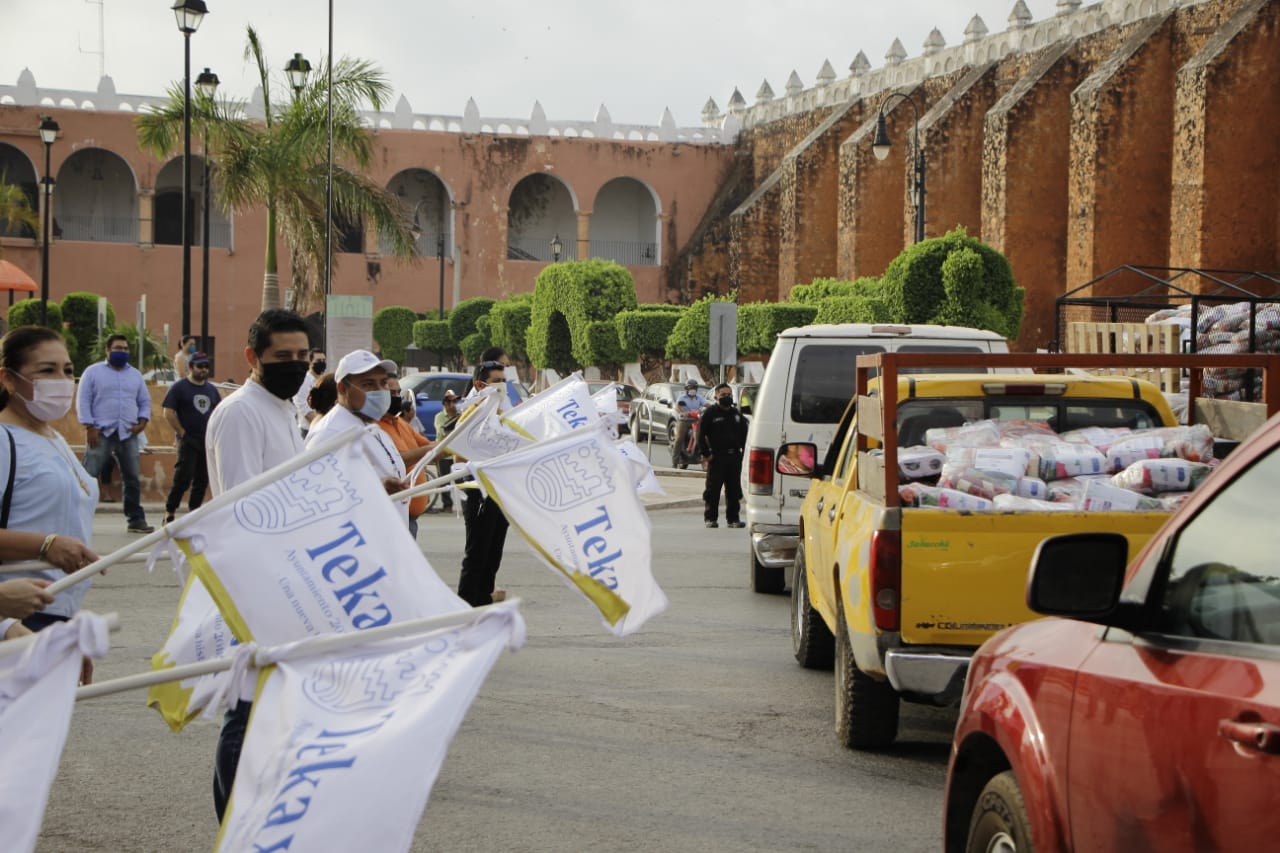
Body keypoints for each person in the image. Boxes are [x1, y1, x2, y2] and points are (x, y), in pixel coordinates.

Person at [204, 308, 312, 822]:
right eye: (281, 357)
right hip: (257, 583)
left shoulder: (283, 409)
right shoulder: (240, 413)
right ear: (252, 357)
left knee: (273, 709)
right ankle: (235, 822)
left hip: (288, 577)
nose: (294, 365)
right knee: (246, 711)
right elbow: (242, 509)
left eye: (301, 356)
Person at [0, 326, 102, 641]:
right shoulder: (4, 440)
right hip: (15, 617)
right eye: (47, 370)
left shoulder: (54, 438)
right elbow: (52, 541)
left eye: (68, 370)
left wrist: (71, 624)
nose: (61, 380)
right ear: (8, 378)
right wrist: (46, 545)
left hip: (56, 618)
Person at [305, 350, 409, 520]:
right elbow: (318, 499)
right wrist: (376, 488)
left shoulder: (370, 425)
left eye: (383, 383)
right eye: (368, 385)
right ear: (342, 388)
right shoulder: (329, 434)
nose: (380, 391)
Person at [77, 334, 153, 534]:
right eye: (118, 348)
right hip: (101, 433)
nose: (122, 352)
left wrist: (143, 422)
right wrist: (89, 426)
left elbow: (144, 401)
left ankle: (135, 519)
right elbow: (83, 400)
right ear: (107, 350)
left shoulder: (135, 375)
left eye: (126, 349)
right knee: (88, 477)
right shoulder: (93, 372)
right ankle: (77, 517)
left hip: (128, 433)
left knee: (132, 479)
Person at [457, 359, 510, 606]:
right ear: (480, 384)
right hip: (478, 489)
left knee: (493, 551)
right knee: (477, 552)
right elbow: (458, 453)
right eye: (496, 382)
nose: (501, 386)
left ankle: (484, 597)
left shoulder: (499, 412)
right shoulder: (473, 413)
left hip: (500, 489)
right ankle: (467, 602)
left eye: (504, 381)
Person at [161, 351, 221, 523]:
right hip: (188, 440)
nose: (203, 370)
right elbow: (168, 412)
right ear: (190, 367)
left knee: (202, 480)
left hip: (206, 441)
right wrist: (181, 432)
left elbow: (217, 412)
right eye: (200, 366)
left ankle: (194, 513)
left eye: (206, 366)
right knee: (183, 477)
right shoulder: (179, 388)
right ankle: (170, 511)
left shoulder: (211, 390)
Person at [376, 375, 435, 537]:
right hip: (393, 517)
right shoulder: (374, 428)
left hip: (409, 517)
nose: (396, 398)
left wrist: (453, 443)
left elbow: (429, 448)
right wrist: (431, 450)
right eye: (391, 393)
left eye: (398, 393)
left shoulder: (400, 423)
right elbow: (399, 459)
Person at [697, 383, 749, 528]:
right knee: (713, 490)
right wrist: (706, 454)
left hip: (734, 458)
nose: (727, 397)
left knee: (734, 490)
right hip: (717, 457)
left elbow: (745, 437)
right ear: (716, 397)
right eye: (723, 395)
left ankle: (733, 519)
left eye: (729, 395)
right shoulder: (710, 414)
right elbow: (700, 435)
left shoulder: (736, 414)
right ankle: (710, 518)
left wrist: (744, 456)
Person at [432, 389, 461, 513]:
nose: (454, 404)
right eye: (452, 402)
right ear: (445, 404)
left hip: (457, 453)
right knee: (443, 481)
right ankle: (447, 505)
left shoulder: (460, 415)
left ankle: (466, 505)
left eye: (456, 401)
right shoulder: (439, 417)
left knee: (461, 480)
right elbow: (442, 432)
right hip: (443, 453)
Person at [292, 348, 326, 438]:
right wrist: (322, 425)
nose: (322, 363)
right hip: (308, 431)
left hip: (321, 429)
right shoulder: (304, 382)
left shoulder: (322, 380)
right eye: (318, 360)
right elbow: (305, 409)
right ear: (310, 362)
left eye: (323, 360)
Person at [672, 379, 705, 468]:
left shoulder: (699, 397)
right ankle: (675, 461)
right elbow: (677, 407)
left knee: (700, 437)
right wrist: (682, 413)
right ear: (686, 388)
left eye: (694, 387)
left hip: (696, 420)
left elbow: (707, 405)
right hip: (684, 420)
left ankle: (699, 455)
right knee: (679, 438)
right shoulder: (682, 398)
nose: (693, 389)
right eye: (691, 387)